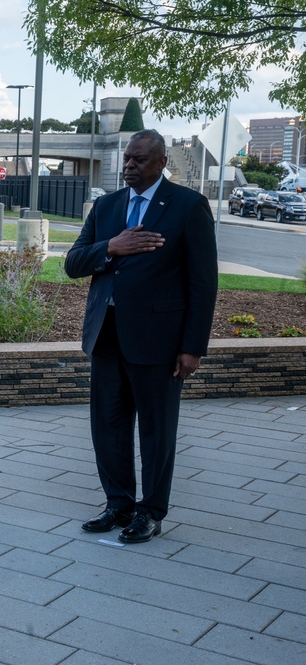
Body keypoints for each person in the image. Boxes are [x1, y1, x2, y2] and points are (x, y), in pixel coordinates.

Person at [65, 129, 217, 544]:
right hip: (107, 336)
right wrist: (112, 246)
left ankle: (150, 511)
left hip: (160, 341)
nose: (129, 166)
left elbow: (203, 283)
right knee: (108, 426)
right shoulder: (107, 207)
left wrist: (192, 347)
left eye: (139, 160)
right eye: (127, 158)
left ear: (161, 162)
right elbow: (74, 263)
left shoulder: (188, 206)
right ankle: (118, 503)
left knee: (156, 429)